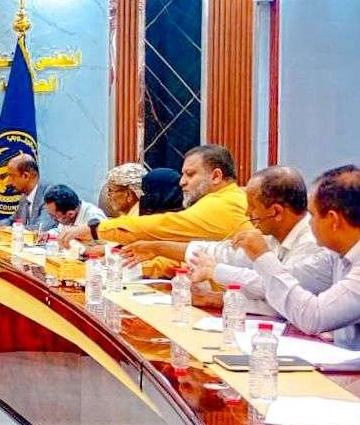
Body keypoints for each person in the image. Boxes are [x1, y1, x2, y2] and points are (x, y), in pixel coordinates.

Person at [126, 166, 319, 310]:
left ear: (276, 212)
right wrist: (157, 248)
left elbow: (281, 291)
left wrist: (216, 275)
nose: (246, 213)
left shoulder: (312, 243)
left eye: (252, 207)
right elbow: (223, 253)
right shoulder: (273, 235)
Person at [231, 165, 360, 350]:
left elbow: (313, 317)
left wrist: (263, 256)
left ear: (333, 220)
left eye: (312, 215)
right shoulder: (335, 255)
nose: (309, 222)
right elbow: (291, 277)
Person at [59, 145, 249, 249]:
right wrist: (153, 253)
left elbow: (164, 225)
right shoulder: (222, 200)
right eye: (183, 174)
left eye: (190, 174)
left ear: (216, 176)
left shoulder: (222, 204)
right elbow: (192, 251)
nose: (182, 182)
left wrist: (95, 230)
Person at [0, 153, 55, 231]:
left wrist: (9, 230)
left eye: (11, 176)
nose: (8, 182)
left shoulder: (50, 195)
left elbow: (40, 229)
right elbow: (12, 221)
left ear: (25, 176)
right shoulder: (24, 196)